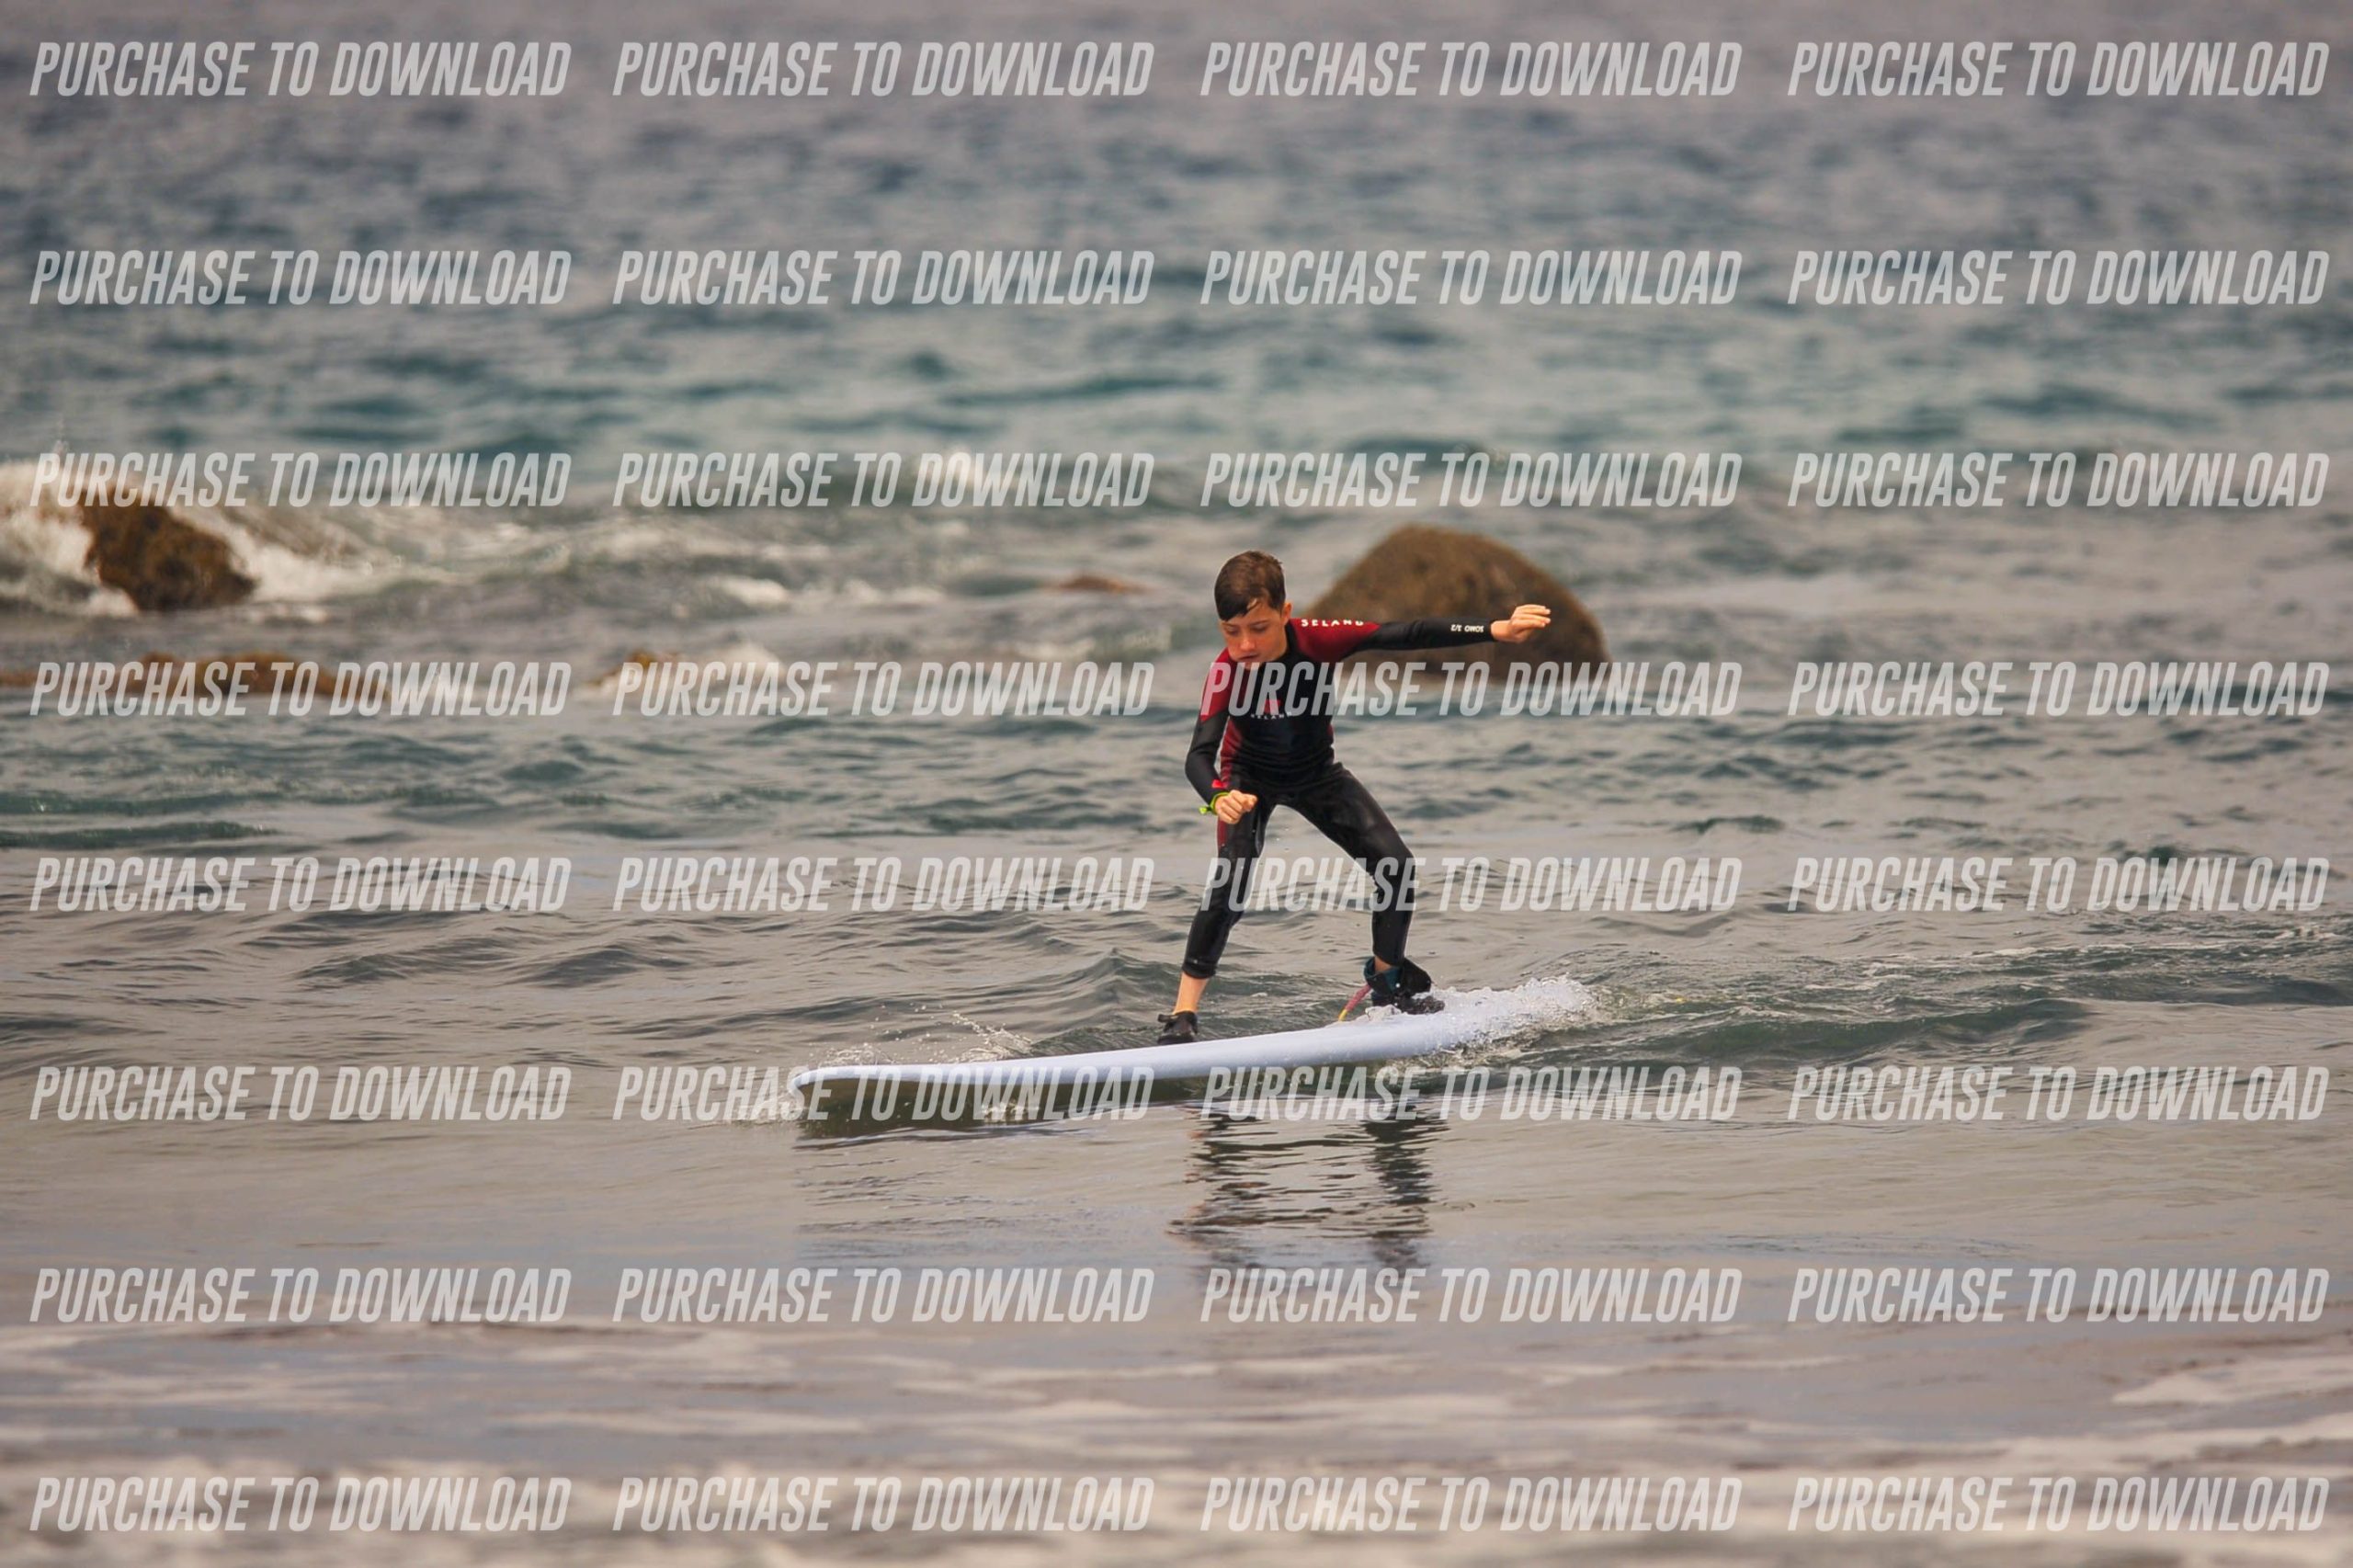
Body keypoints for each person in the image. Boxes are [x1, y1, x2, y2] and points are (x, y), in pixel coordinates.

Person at [1158, 550, 1551, 1043]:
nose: (1244, 644)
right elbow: (1198, 755)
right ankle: (1183, 1014)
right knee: (1230, 884)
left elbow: (1405, 634)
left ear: (1285, 612)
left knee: (1395, 866)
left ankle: (1387, 984)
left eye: (1258, 628)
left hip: (1316, 773)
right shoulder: (1226, 672)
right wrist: (1218, 796)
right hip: (1247, 780)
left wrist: (1494, 629)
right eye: (1230, 632)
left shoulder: (1318, 640)